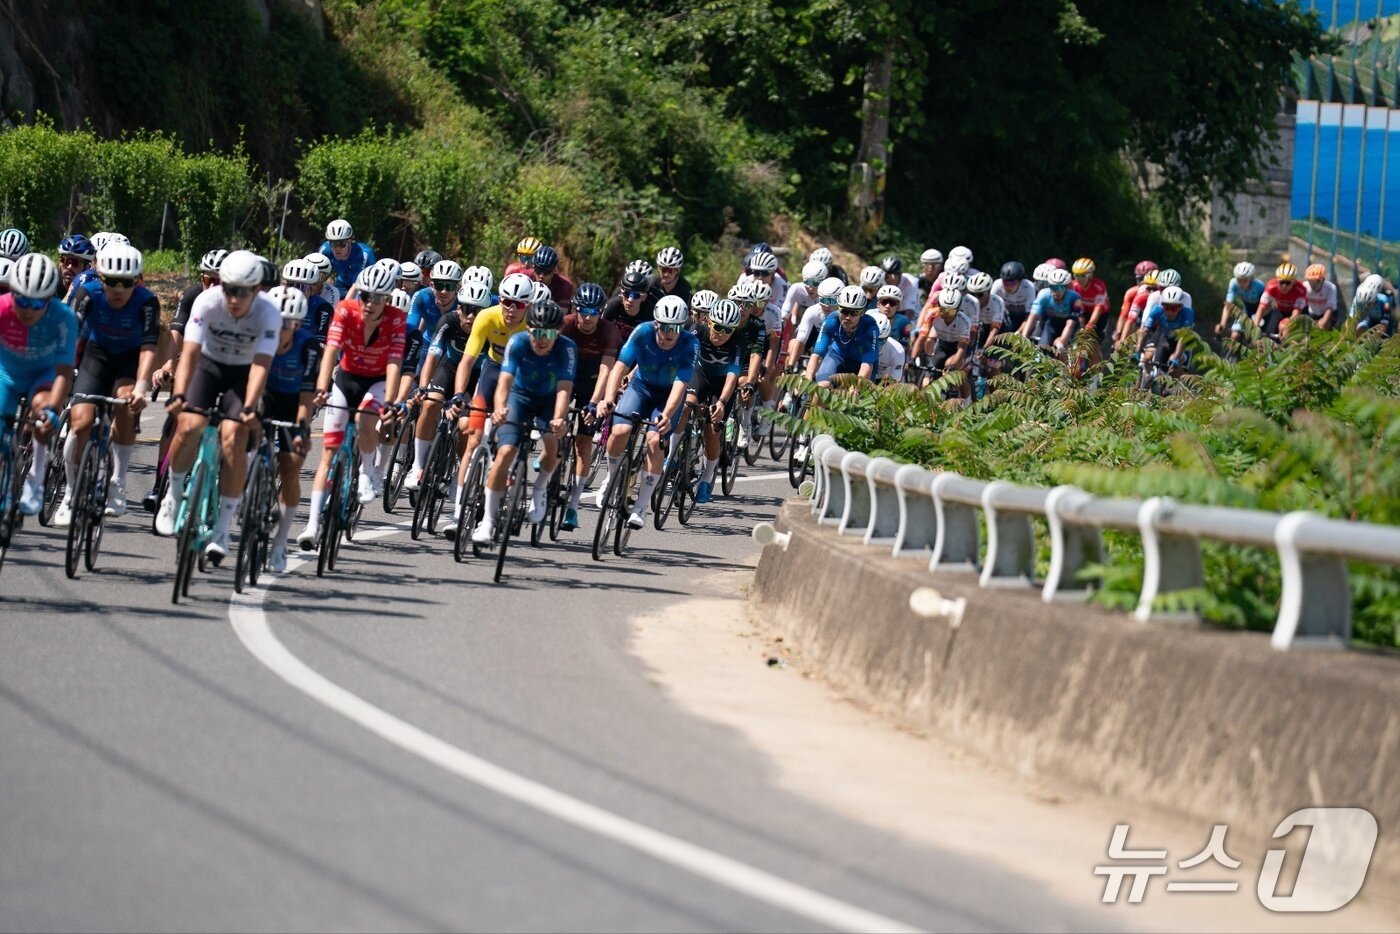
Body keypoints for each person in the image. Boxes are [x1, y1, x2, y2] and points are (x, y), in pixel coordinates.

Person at [154, 251, 281, 563]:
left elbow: (261, 366)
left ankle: (223, 527)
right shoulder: (207, 301)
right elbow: (190, 354)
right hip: (208, 366)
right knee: (189, 425)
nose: (233, 298)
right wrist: (179, 396)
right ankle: (172, 495)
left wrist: (249, 406)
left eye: (242, 292)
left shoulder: (268, 313)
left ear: (256, 290)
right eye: (228, 289)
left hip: (243, 373)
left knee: (233, 437)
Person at [297, 262, 407, 548]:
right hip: (347, 378)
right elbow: (331, 350)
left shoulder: (395, 319)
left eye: (378, 298)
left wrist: (391, 401)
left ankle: (366, 471)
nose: (370, 303)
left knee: (366, 419)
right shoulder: (346, 309)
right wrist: (321, 388)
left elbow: (395, 362)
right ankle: (312, 525)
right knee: (328, 454)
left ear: (388, 299)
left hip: (377, 380)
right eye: (366, 296)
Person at [55, 242, 160, 525]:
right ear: (100, 277)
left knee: (126, 402)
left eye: (127, 282)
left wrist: (141, 386)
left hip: (128, 360)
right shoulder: (87, 293)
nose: (119, 289)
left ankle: (118, 482)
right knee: (80, 424)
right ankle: (69, 495)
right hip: (97, 356)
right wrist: (62, 372)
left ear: (137, 280)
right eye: (112, 281)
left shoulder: (147, 301)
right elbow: (70, 334)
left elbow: (149, 347)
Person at [470, 300, 576, 545]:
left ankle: (540, 488)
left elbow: (564, 389)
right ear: (528, 330)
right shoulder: (517, 342)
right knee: (506, 452)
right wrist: (499, 409)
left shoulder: (567, 349)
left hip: (549, 399)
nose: (541, 340)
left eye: (548, 334)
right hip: (519, 396)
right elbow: (504, 382)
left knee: (553, 443)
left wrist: (559, 418)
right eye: (536, 333)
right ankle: (487, 522)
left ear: (558, 333)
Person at [595, 295, 699, 530]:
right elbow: (620, 366)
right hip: (640, 388)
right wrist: (609, 398)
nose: (668, 333)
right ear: (655, 323)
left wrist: (667, 414)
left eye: (675, 328)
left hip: (668, 396)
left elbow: (680, 384)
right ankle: (611, 477)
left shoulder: (690, 343)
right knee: (620, 430)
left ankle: (641, 505)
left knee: (654, 440)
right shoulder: (642, 331)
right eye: (664, 326)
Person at [446, 272, 533, 528]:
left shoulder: (532, 327)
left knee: (508, 443)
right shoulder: (486, 316)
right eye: (507, 301)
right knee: (473, 441)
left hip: (519, 380)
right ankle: (458, 513)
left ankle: (505, 486)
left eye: (519, 304)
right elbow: (468, 360)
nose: (511, 309)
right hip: (492, 373)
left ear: (528, 306)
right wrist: (459, 394)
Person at [0, 253, 75, 516]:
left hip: (43, 374)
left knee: (43, 414)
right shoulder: (2, 308)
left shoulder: (64, 317)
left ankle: (36, 475)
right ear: (12, 292)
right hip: (6, 373)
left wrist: (53, 409)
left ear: (50, 298)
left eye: (38, 302)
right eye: (22, 300)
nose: (29, 309)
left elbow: (64, 371)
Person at [403, 280, 490, 496]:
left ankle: (460, 469)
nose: (471, 317)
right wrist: (423, 387)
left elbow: (490, 371)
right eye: (467, 309)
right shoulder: (448, 321)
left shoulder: (490, 330)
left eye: (478, 311)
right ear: (459, 308)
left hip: (476, 376)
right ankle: (417, 466)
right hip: (449, 368)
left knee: (465, 424)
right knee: (430, 404)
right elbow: (432, 357)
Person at [259, 287, 319, 573]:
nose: (279, 327)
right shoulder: (259, 334)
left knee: (290, 468)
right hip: (264, 396)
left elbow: (307, 396)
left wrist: (302, 430)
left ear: (296, 324)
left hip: (294, 403)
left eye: (286, 323)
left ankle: (281, 541)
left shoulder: (308, 346)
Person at [556, 282, 619, 530]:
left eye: (594, 312)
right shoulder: (565, 324)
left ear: (601, 312)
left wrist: (594, 403)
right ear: (575, 309)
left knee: (583, 443)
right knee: (555, 423)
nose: (588, 317)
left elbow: (606, 370)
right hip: (566, 378)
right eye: (583, 310)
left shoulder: (609, 331)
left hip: (591, 385)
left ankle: (572, 506)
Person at [686, 298, 744, 504]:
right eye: (718, 327)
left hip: (722, 385)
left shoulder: (737, 342)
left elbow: (732, 376)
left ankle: (706, 479)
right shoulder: (697, 330)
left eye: (728, 330)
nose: (721, 334)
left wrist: (721, 402)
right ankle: (672, 457)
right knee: (685, 406)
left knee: (712, 432)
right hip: (700, 376)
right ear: (709, 321)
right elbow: (684, 356)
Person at [804, 285, 879, 387]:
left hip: (862, 363)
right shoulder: (831, 321)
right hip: (837, 356)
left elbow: (867, 363)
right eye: (844, 311)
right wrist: (807, 379)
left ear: (862, 312)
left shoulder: (870, 326)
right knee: (822, 386)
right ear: (838, 309)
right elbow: (817, 354)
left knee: (858, 393)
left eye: (854, 312)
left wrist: (856, 387)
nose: (848, 317)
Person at [1135, 285, 1195, 378]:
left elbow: (1183, 337)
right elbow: (1145, 331)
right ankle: (1149, 381)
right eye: (1166, 308)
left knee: (1173, 367)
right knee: (1156, 367)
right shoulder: (1157, 310)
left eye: (1173, 308)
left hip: (1182, 342)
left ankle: (1180, 383)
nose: (1169, 312)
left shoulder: (1187, 313)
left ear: (1180, 307)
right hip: (1166, 339)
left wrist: (1176, 357)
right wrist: (1137, 350)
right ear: (1162, 306)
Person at [1021, 267, 1083, 353]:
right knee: (1041, 349)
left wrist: (1061, 343)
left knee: (1064, 349)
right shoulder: (1043, 294)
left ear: (1066, 287)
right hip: (1051, 324)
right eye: (1053, 287)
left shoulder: (1075, 298)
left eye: (1060, 287)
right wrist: (1024, 337)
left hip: (1070, 327)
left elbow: (1070, 324)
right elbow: (1033, 316)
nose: (1056, 291)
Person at [318, 219, 376, 292]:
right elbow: (315, 275)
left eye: (342, 244)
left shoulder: (363, 254)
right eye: (333, 244)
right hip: (343, 281)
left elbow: (357, 286)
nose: (337, 248)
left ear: (349, 242)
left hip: (365, 285)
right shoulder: (325, 250)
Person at [1253, 262, 1307, 340]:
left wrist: (1288, 328)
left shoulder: (1301, 289)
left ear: (1294, 282)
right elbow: (1262, 307)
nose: (1284, 286)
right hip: (1280, 311)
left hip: (1296, 313)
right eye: (1281, 282)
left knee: (1289, 335)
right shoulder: (1271, 286)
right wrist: (1255, 326)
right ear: (1277, 280)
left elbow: (1296, 312)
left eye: (1288, 283)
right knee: (1269, 335)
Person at [1217, 261, 1264, 348]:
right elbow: (1228, 306)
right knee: (1234, 335)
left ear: (1251, 279)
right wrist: (1222, 324)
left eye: (1245, 280)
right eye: (1239, 280)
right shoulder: (1233, 283)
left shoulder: (1259, 286)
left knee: (1255, 339)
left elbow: (1266, 306)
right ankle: (1231, 354)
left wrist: (1255, 325)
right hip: (1246, 309)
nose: (1242, 283)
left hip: (1261, 311)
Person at [602, 267, 654, 340]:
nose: (630, 300)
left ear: (644, 297)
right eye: (626, 294)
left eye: (636, 295)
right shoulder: (612, 306)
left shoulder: (650, 312)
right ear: (621, 293)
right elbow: (600, 330)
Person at [1070, 257, 1111, 342]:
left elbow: (1098, 308)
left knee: (1096, 341)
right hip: (1084, 312)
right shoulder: (1073, 286)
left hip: (1100, 315)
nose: (1079, 279)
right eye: (1076, 276)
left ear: (1090, 275)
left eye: (1083, 276)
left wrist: (1090, 324)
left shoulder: (1099, 286)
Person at [992, 261, 1036, 337]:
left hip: (1024, 316)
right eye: (1005, 282)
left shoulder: (1028, 287)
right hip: (1007, 316)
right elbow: (992, 309)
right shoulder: (997, 285)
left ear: (1020, 281)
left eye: (1012, 283)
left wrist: (1019, 332)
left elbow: (1030, 315)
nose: (1008, 286)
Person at [57, 234, 98, 304]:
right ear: (60, 263)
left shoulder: (93, 289)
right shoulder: (50, 283)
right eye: (65, 261)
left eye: (75, 262)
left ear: (87, 267)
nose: (69, 267)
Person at [532, 246, 574, 312]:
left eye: (546, 272)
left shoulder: (564, 285)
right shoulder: (526, 277)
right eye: (538, 270)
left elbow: (560, 315)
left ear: (554, 271)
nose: (541, 275)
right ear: (533, 267)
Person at [873, 284, 914, 349]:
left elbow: (904, 348)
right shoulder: (869, 316)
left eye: (892, 303)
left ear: (898, 306)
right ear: (878, 304)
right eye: (884, 302)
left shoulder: (904, 322)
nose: (887, 306)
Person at [1301, 263, 1339, 331]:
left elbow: (1330, 308)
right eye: (1310, 281)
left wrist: (1324, 321)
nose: (1313, 284)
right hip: (1313, 313)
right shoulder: (1304, 287)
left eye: (1317, 281)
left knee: (1324, 327)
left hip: (1329, 313)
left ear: (1323, 280)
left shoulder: (1331, 288)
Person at [871, 312, 906, 382]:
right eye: (871, 339)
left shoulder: (897, 350)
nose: (875, 343)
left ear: (887, 337)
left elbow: (894, 382)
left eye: (880, 340)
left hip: (883, 379)